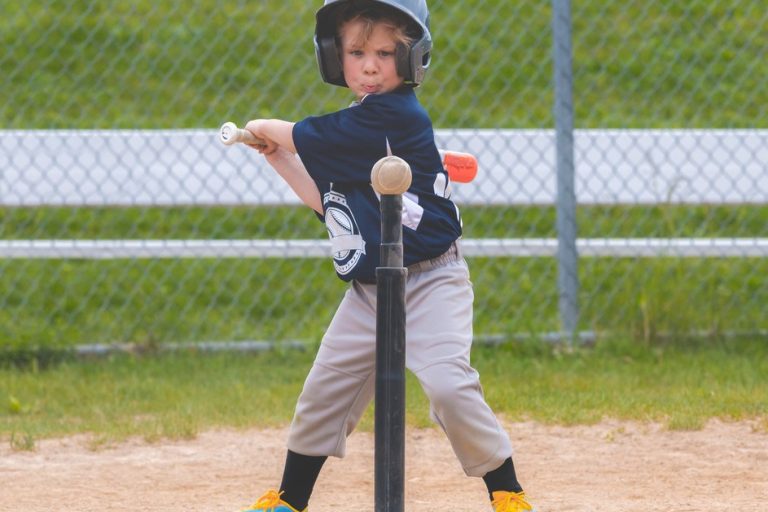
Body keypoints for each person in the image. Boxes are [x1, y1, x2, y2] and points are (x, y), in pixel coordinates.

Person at [239, 1, 535, 511]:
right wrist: (280, 157)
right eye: (356, 52)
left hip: (431, 280)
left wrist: (268, 124)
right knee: (324, 391)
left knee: (447, 384)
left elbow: (321, 136)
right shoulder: (354, 127)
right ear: (334, 58)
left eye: (384, 52)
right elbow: (327, 200)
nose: (370, 65)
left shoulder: (394, 115)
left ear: (411, 56)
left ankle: (506, 492)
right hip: (371, 289)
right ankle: (290, 499)